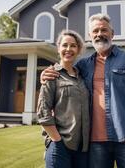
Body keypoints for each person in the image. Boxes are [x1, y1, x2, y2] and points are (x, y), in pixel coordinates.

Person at [41, 13, 125, 168]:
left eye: (104, 30)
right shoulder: (83, 66)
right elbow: (64, 74)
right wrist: (45, 74)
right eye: (95, 31)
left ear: (112, 34)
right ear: (90, 36)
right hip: (95, 144)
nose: (99, 34)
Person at [37, 29, 90, 168]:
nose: (68, 49)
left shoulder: (82, 77)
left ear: (78, 50)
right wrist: (57, 141)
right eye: (65, 45)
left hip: (82, 149)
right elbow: (43, 112)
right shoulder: (51, 75)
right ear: (58, 48)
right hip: (60, 146)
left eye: (73, 45)